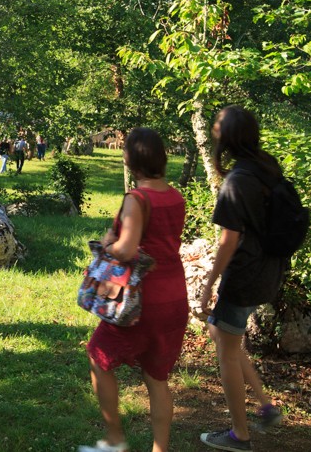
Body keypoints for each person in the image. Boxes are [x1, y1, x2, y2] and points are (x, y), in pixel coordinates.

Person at [79, 128, 188, 452]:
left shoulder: (137, 198)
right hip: (174, 297)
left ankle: (114, 438)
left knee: (98, 356)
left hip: (142, 301)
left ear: (131, 158)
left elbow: (127, 250)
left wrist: (108, 244)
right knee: (157, 378)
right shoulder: (175, 195)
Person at [198, 106, 285, 452]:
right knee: (222, 334)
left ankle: (240, 435)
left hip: (245, 276)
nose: (214, 127)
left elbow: (228, 241)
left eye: (218, 124)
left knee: (227, 352)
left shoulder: (237, 181)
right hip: (269, 270)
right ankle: (265, 407)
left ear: (229, 135)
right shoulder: (267, 167)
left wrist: (208, 282)